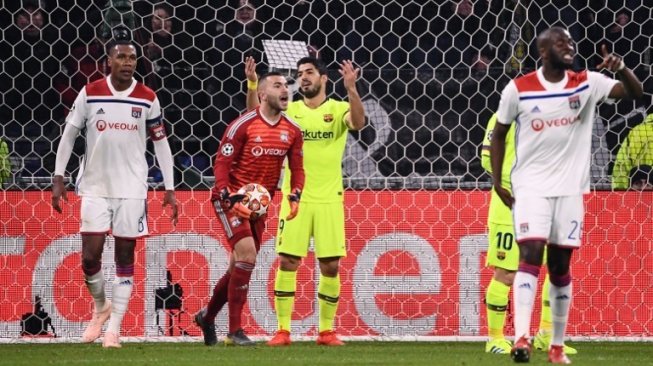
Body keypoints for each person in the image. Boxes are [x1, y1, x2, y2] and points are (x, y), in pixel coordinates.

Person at [491, 27, 642, 364]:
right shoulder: (518, 89)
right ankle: (521, 339)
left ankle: (556, 345)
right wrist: (498, 181)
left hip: (570, 190)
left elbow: (634, 93)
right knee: (530, 254)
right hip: (530, 187)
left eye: (571, 43)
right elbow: (499, 134)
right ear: (544, 52)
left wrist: (620, 68)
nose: (569, 48)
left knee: (560, 268)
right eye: (561, 43)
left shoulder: (586, 82)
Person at [51, 37, 178, 348]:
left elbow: (161, 144)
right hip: (94, 185)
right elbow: (69, 135)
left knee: (124, 257)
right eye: (121, 57)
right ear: (109, 61)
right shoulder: (90, 92)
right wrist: (58, 177)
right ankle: (101, 306)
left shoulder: (148, 97)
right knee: (89, 259)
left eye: (132, 58)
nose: (128, 63)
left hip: (133, 189)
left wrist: (170, 188)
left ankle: (114, 330)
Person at [242, 56, 365, 346]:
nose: (304, 77)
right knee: (287, 261)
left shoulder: (337, 109)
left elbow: (358, 123)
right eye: (300, 74)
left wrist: (351, 88)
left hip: (329, 199)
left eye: (310, 72)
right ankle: (283, 330)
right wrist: (251, 84)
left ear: (324, 78)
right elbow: (254, 118)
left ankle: (326, 331)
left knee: (331, 265)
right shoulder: (291, 111)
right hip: (294, 197)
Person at [194, 72, 305, 346]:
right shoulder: (242, 125)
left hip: (259, 207)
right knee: (248, 255)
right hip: (232, 199)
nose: (285, 90)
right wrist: (224, 192)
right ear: (263, 94)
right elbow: (221, 162)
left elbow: (298, 169)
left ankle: (207, 317)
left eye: (286, 86)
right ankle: (234, 331)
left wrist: (295, 195)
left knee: (239, 266)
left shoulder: (292, 130)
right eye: (278, 85)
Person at [481, 114, 577, 356]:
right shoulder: (505, 115)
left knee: (555, 267)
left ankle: (546, 334)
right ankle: (494, 338)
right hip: (510, 204)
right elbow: (486, 158)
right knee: (506, 273)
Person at [611, 112, 653, 189]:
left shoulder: (638, 131)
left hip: (636, 190)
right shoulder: (639, 132)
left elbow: (622, 164)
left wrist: (621, 192)